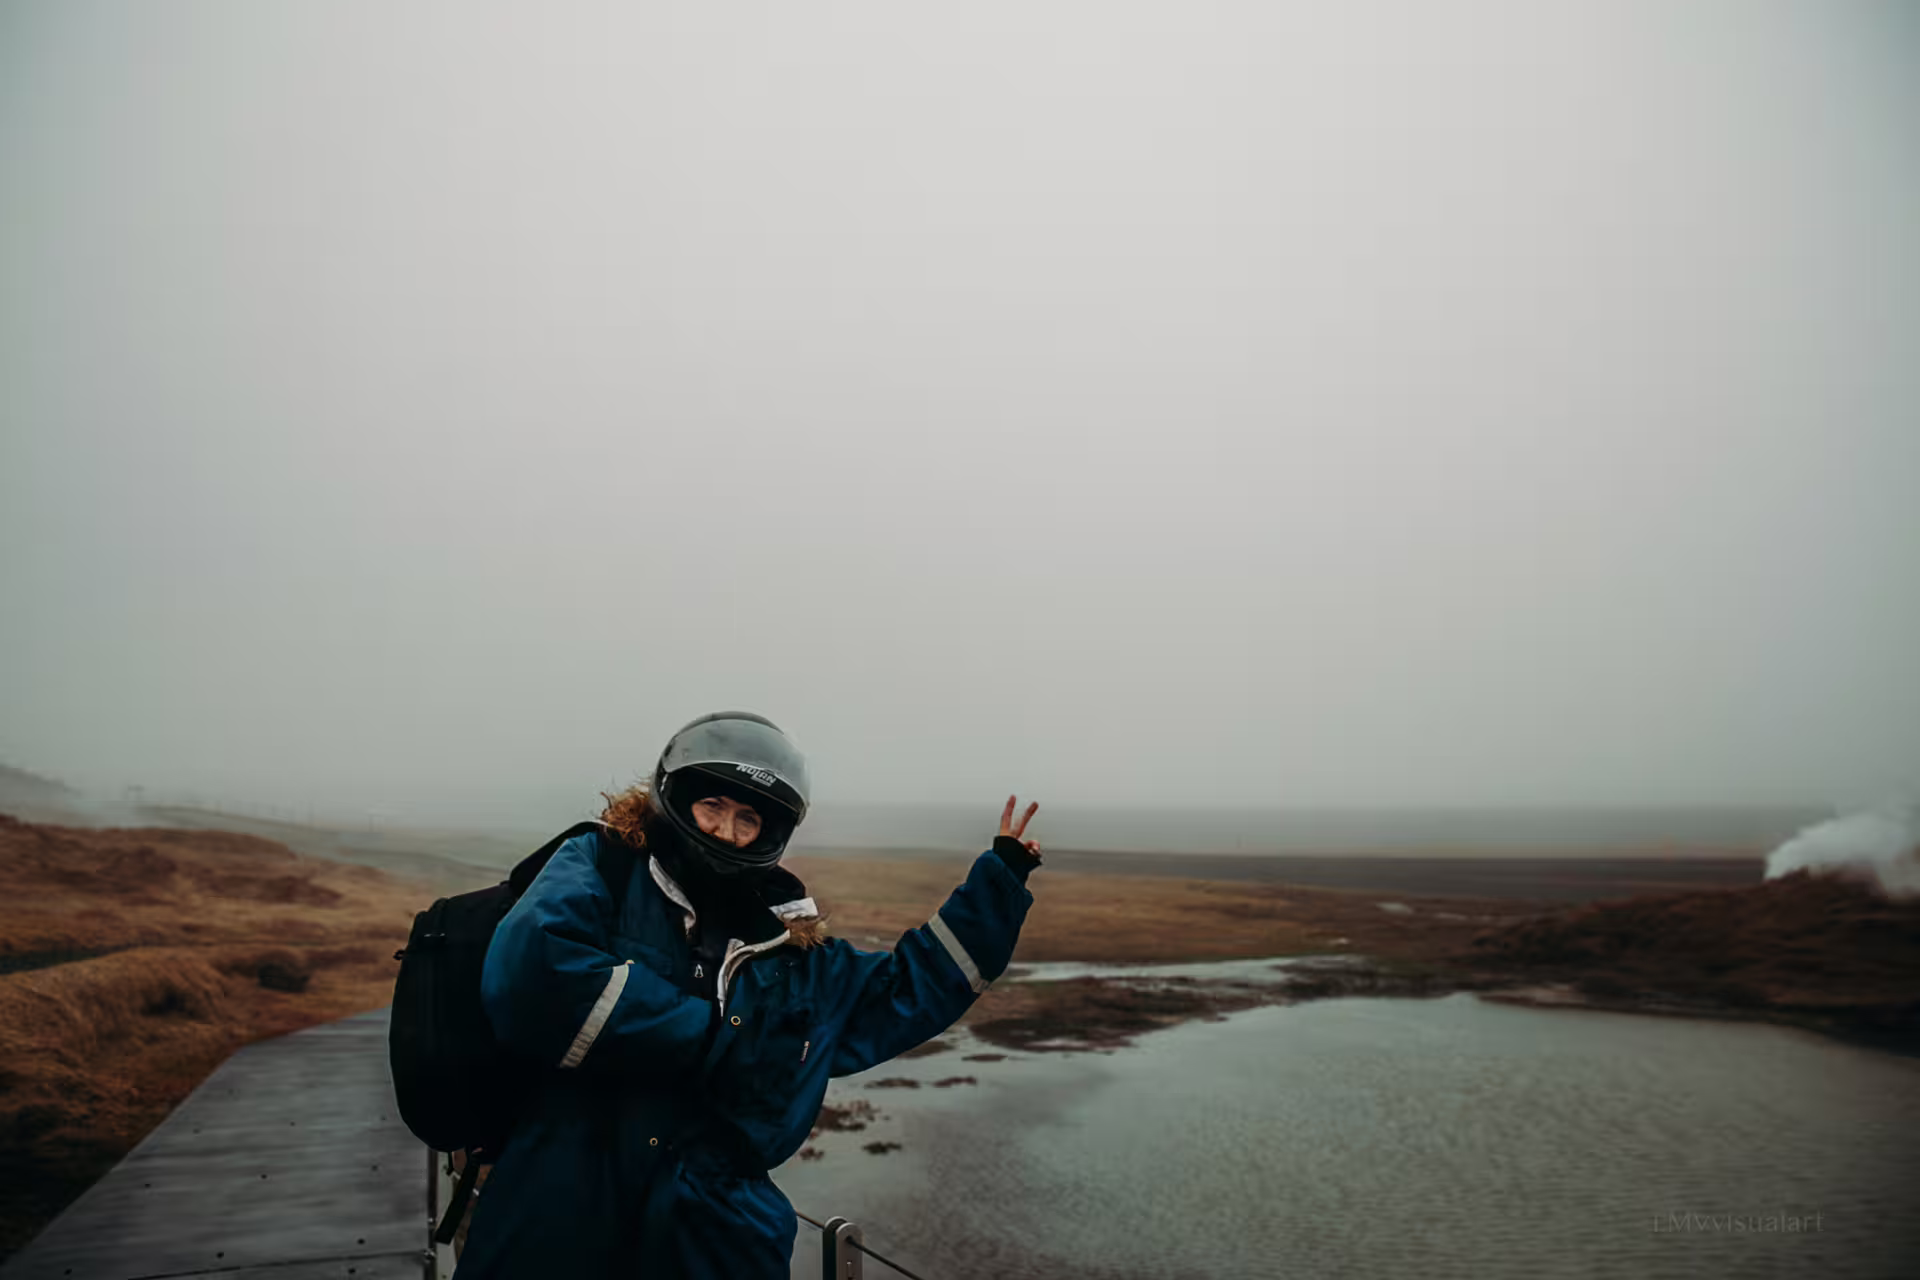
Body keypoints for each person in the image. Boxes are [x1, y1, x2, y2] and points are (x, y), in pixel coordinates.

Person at [455, 711, 1041, 1278]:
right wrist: (707, 1034)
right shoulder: (602, 868)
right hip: (565, 1199)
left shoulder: (795, 957)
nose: (724, 830)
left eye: (747, 819)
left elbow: (906, 990)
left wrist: (999, 882)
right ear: (675, 797)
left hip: (721, 1229)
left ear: (771, 833)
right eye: (712, 805)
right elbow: (535, 973)